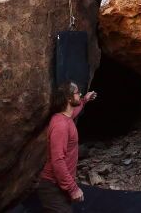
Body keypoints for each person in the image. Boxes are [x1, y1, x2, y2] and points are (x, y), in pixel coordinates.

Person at [37, 82, 98, 212]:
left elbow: (74, 111)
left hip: (58, 186)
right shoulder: (61, 126)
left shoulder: (65, 117)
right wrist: (73, 188)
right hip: (52, 188)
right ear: (68, 98)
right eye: (77, 92)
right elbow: (58, 161)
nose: (80, 94)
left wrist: (85, 100)